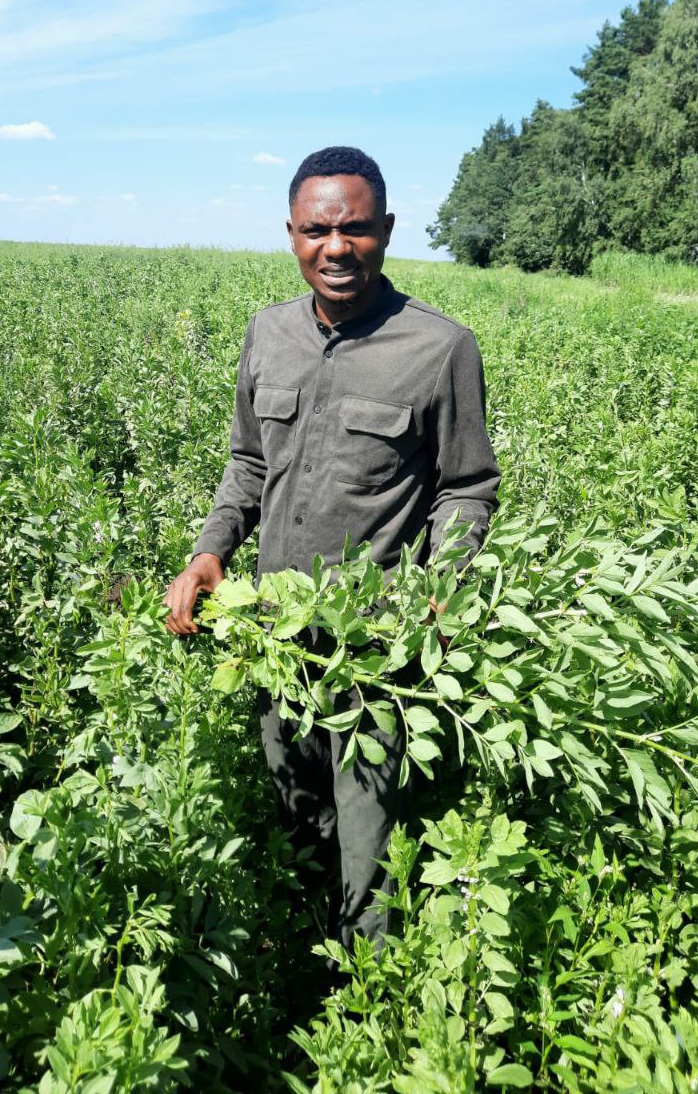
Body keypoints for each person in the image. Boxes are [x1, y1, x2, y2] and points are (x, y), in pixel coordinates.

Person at [164, 145, 500, 949]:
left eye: (354, 229)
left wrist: (444, 590)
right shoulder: (267, 334)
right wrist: (211, 552)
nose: (336, 248)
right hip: (274, 639)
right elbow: (249, 463)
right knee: (296, 821)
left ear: (385, 231)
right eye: (317, 230)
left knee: (369, 856)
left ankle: (371, 1005)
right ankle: (300, 981)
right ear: (291, 235)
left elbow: (466, 487)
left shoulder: (440, 348)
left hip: (374, 654)